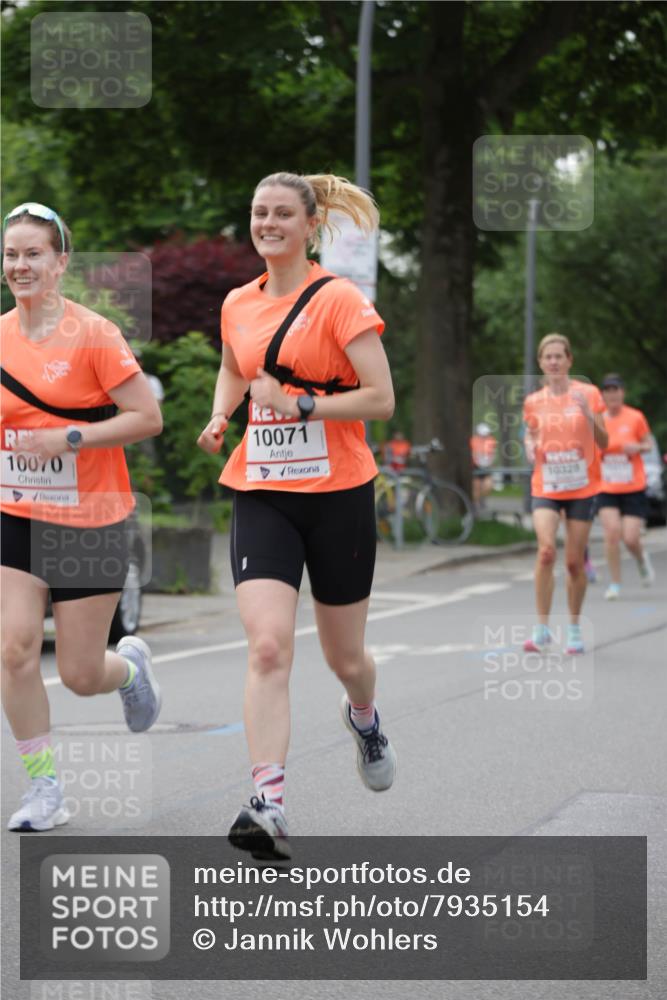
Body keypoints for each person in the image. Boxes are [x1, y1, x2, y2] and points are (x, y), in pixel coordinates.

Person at [197, 173, 397, 860]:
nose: (268, 223)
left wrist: (303, 406)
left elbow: (380, 400)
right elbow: (237, 365)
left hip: (339, 492)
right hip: (262, 489)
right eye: (258, 212)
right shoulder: (237, 303)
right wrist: (223, 413)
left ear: (310, 225)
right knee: (268, 646)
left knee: (346, 658)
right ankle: (269, 803)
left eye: (282, 213)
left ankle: (365, 720)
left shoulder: (340, 300)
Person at [1, 203, 163, 832]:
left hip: (90, 516)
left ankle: (130, 669)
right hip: (17, 511)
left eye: (33, 253)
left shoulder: (93, 333)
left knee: (80, 672)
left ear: (61, 261)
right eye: (11, 254)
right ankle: (45, 792)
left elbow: (145, 418)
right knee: (14, 651)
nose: (20, 265)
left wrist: (69, 439)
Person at [522, 333, 607, 655]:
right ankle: (542, 629)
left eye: (560, 356)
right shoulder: (534, 401)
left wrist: (587, 414)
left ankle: (573, 628)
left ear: (569, 360)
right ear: (541, 363)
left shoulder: (589, 394)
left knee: (573, 562)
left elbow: (605, 442)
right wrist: (530, 446)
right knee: (546, 551)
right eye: (548, 357)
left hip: (582, 487)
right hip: (546, 485)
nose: (554, 362)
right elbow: (530, 434)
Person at [597, 373, 655, 599]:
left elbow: (649, 443)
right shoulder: (598, 420)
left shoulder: (635, 417)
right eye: (608, 390)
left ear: (623, 392)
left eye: (616, 389)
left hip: (632, 486)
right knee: (611, 533)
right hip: (606, 486)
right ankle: (615, 583)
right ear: (603, 395)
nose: (612, 394)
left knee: (630, 538)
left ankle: (641, 559)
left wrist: (638, 447)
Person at [470, 422, 497, 509]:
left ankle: (482, 499)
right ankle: (475, 503)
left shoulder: (491, 440)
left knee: (488, 485)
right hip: (476, 467)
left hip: (487, 467)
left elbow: (492, 454)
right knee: (476, 487)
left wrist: (491, 463)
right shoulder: (473, 441)